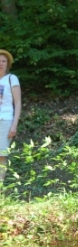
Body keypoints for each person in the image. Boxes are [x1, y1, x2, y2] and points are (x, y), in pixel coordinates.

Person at [0, 49, 21, 183]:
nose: (0, 63)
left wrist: (14, 125)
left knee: (1, 155)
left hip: (5, 121)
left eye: (3, 61)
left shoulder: (11, 78)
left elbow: (18, 103)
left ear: (7, 64)